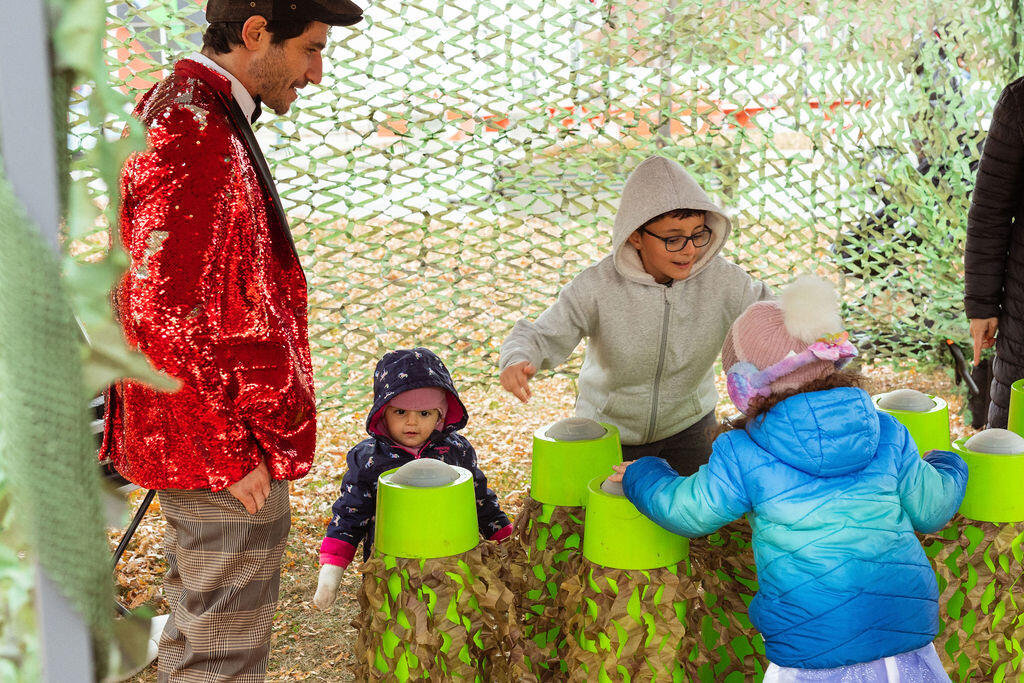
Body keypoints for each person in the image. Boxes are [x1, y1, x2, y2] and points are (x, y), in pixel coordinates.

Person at [100, 1, 364, 679]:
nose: (316, 74)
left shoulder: (189, 108)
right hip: (219, 443)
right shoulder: (192, 130)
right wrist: (224, 452)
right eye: (309, 49)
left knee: (201, 629)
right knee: (223, 651)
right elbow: (160, 307)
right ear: (254, 35)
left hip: (209, 430)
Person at [611, 275, 967, 681]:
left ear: (744, 385)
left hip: (811, 646)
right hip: (903, 635)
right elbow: (933, 508)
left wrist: (644, 472)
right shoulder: (886, 431)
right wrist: (949, 464)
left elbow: (688, 512)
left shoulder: (744, 451)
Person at [499, 155, 771, 475]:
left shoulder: (725, 281)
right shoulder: (597, 286)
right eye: (673, 238)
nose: (689, 250)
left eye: (698, 233)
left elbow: (774, 316)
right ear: (636, 235)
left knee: (692, 517)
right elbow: (542, 332)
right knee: (603, 515)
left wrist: (817, 335)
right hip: (608, 431)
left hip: (689, 427)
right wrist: (518, 356)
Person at [313, 347, 512, 608]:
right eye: (400, 412)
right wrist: (331, 573)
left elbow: (481, 500)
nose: (412, 423)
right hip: (393, 574)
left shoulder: (455, 452)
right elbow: (349, 516)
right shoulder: (370, 461)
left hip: (452, 568)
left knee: (451, 632)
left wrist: (507, 542)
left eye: (424, 413)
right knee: (399, 635)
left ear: (441, 415)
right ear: (383, 412)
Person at [965, 76, 1024, 428]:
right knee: (1014, 451)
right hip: (1023, 318)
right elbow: (990, 211)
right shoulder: (1020, 101)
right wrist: (983, 305)